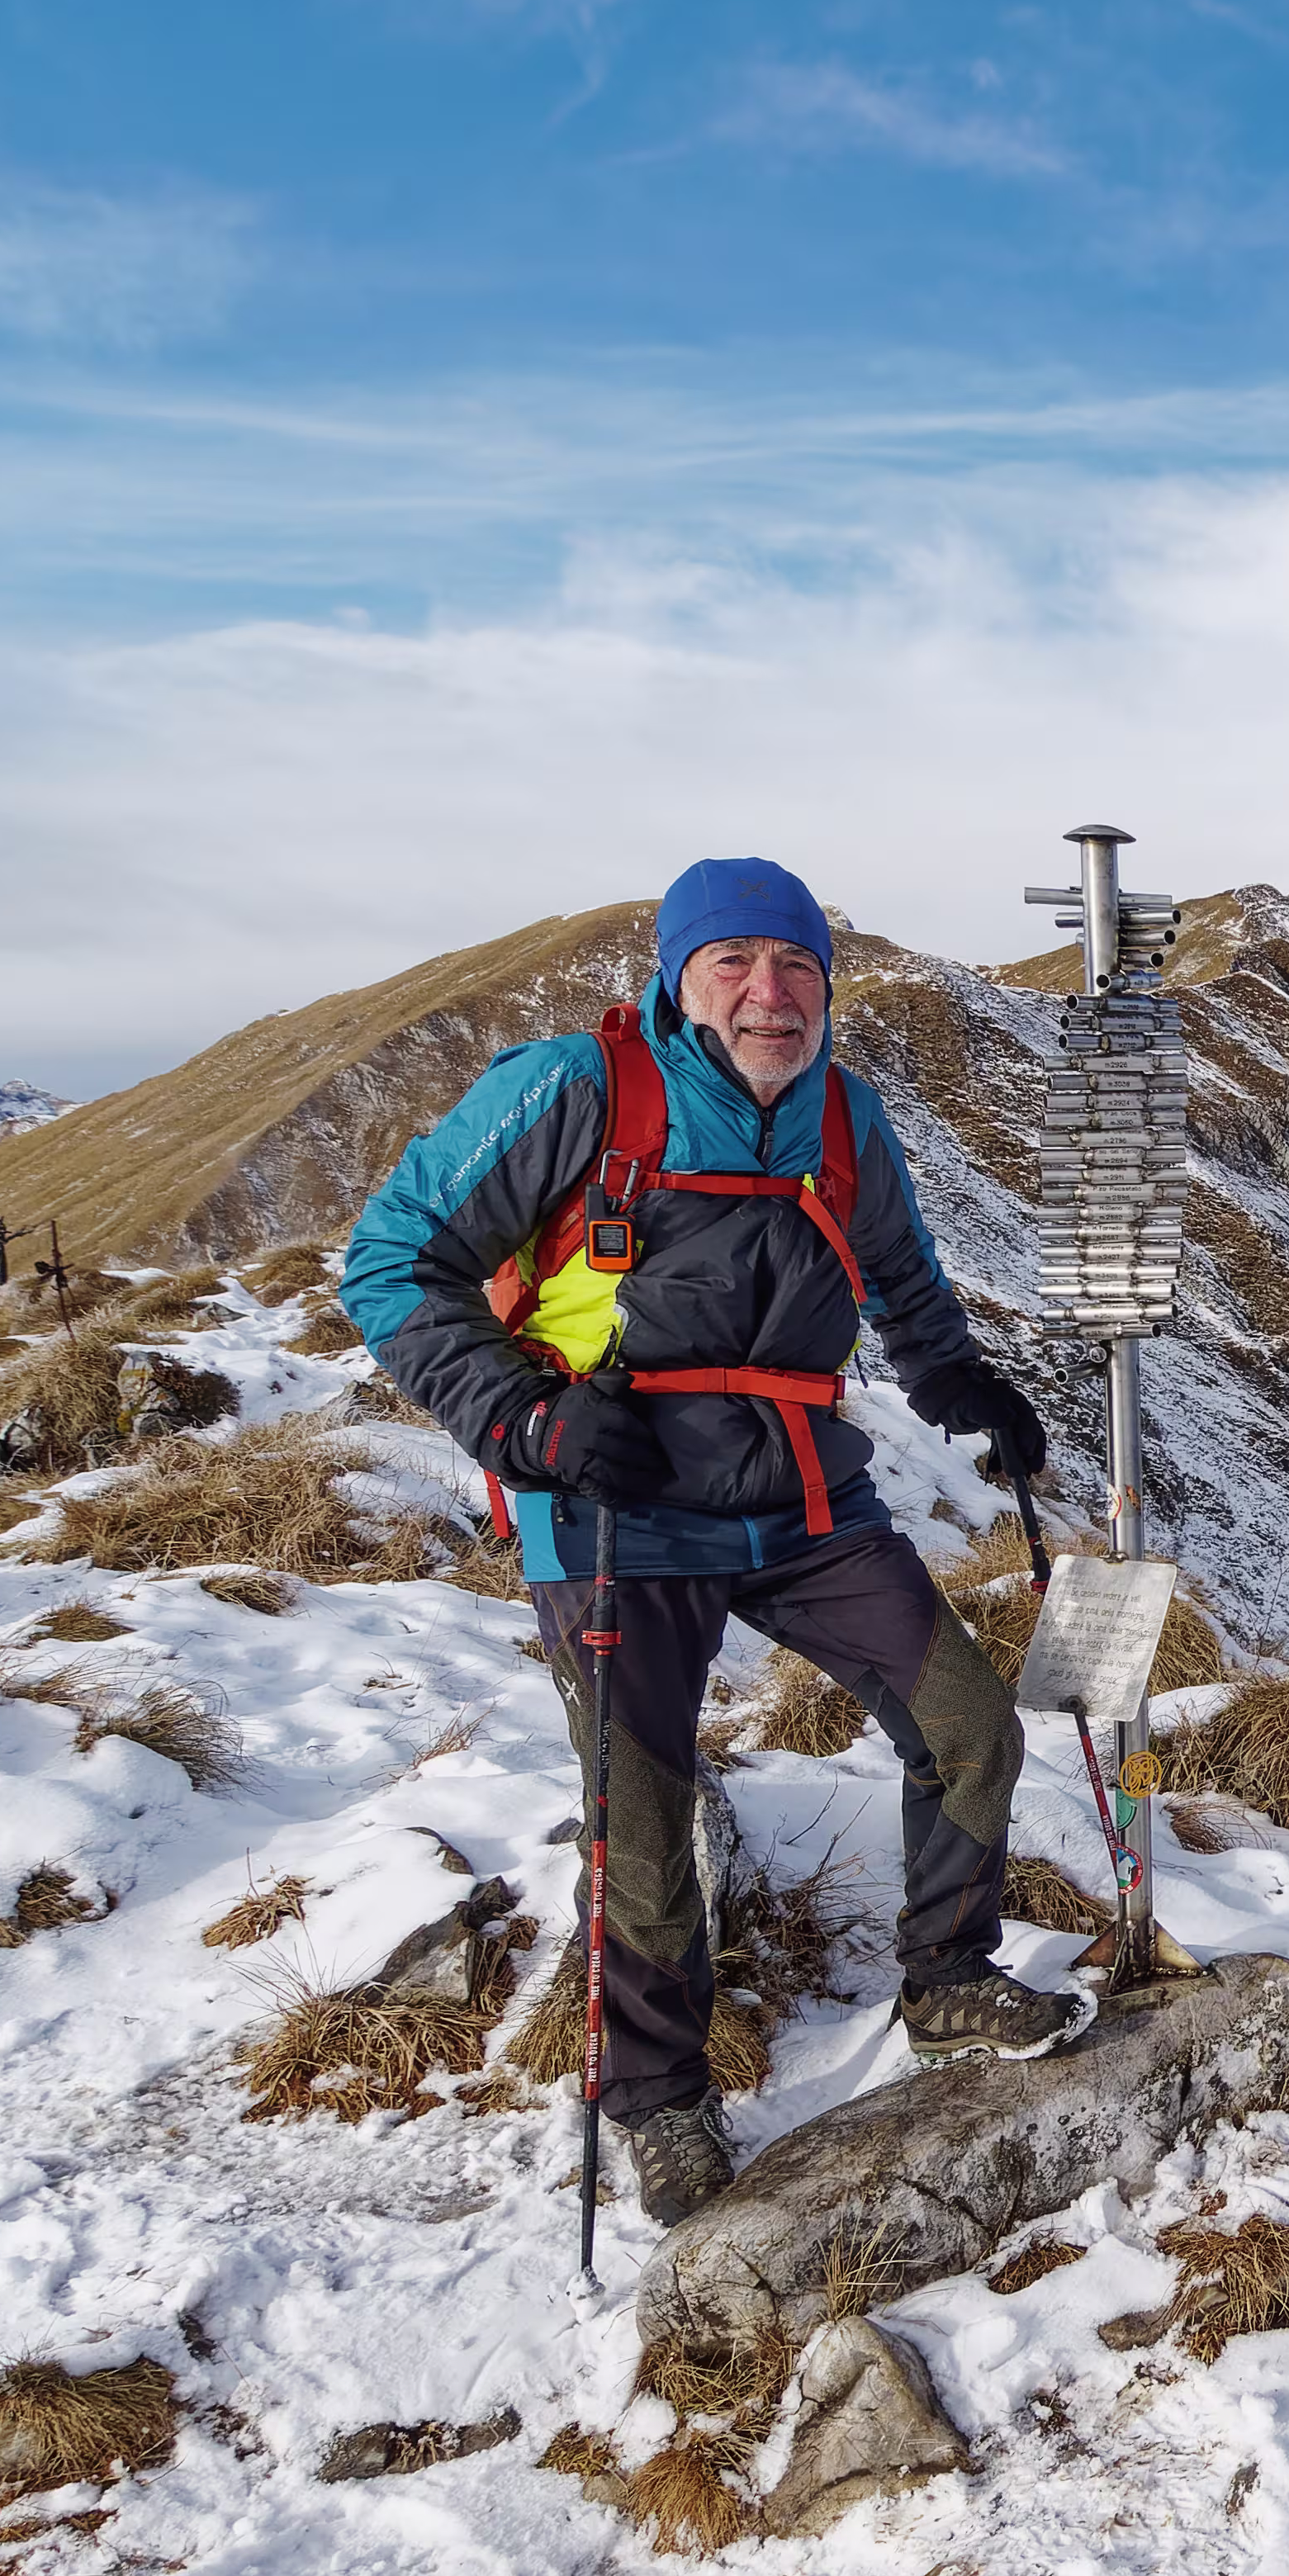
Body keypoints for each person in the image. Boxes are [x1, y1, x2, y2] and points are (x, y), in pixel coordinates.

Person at [344, 854, 1083, 2227]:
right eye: (734, 964)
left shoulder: (845, 1120)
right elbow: (390, 1260)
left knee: (972, 1723)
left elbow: (906, 1284)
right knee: (645, 1810)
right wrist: (522, 1418)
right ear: (680, 980)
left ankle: (951, 1981)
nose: (769, 992)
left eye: (798, 966)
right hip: (612, 1506)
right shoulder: (579, 1093)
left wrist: (959, 1385)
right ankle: (661, 2096)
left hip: (802, 1501)